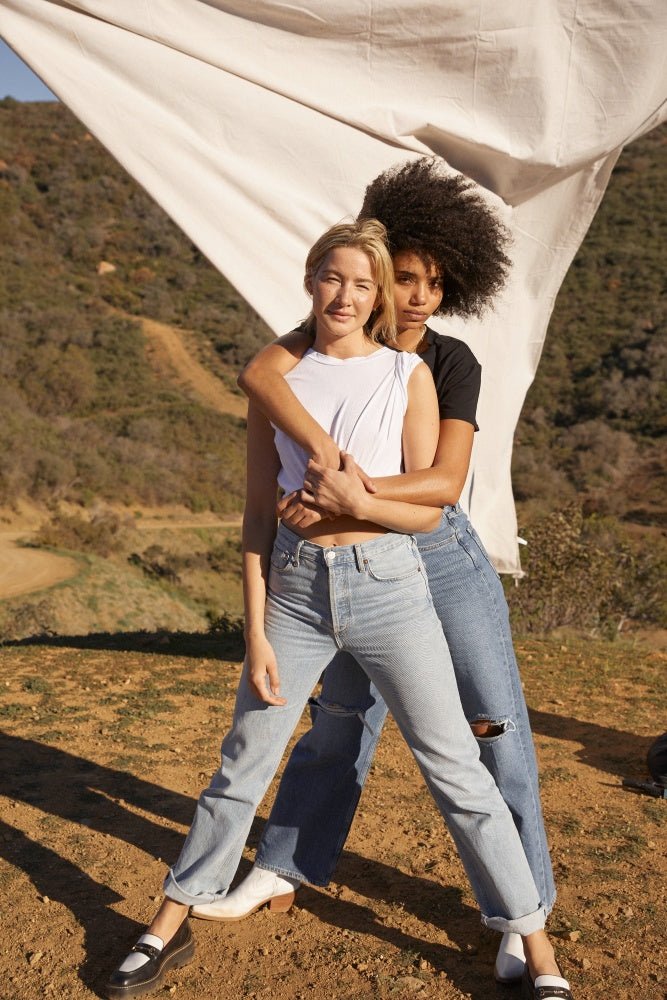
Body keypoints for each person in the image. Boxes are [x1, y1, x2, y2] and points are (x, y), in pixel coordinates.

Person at [105, 218, 571, 1000]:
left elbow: (430, 508)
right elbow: (256, 516)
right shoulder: (276, 381)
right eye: (334, 277)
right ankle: (165, 927)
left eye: (363, 282)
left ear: (377, 292)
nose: (347, 295)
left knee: (456, 765)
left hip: (392, 585)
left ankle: (536, 948)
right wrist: (254, 630)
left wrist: (350, 494)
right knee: (241, 765)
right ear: (310, 278)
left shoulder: (411, 374)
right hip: (293, 592)